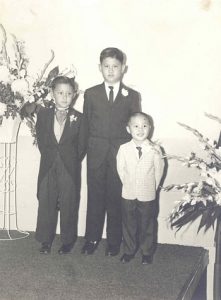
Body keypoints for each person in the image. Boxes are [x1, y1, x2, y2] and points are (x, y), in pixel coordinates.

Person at [79, 47, 141, 256]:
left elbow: (136, 125)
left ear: (123, 68)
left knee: (116, 197)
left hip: (119, 155)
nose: (111, 70)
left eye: (115, 66)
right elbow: (85, 125)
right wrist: (81, 152)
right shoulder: (91, 93)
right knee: (95, 197)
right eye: (107, 66)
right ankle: (91, 239)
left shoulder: (132, 95)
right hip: (96, 153)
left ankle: (114, 242)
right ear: (100, 68)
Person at [35, 76, 82, 255]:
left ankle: (67, 241)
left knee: (68, 202)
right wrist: (50, 155)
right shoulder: (43, 114)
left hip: (69, 167)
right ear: (52, 94)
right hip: (48, 164)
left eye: (69, 93)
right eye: (60, 93)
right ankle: (45, 240)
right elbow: (41, 140)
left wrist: (69, 158)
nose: (64, 97)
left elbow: (82, 145)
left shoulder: (79, 117)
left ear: (74, 95)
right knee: (46, 201)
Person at [116, 112, 164, 264]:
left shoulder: (155, 149)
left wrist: (152, 188)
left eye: (144, 126)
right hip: (128, 193)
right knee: (128, 223)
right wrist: (129, 184)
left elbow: (159, 172)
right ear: (128, 129)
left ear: (150, 128)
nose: (140, 129)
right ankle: (129, 250)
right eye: (135, 126)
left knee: (147, 224)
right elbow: (121, 170)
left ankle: (147, 252)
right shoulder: (123, 149)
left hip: (147, 193)